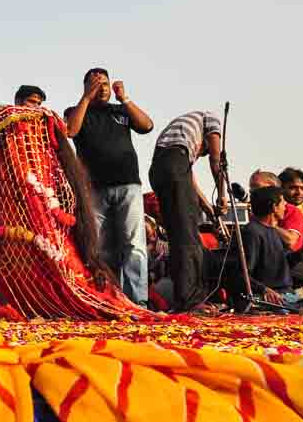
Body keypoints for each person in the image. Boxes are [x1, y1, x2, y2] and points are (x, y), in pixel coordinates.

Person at [64, 68, 155, 306]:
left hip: (128, 185)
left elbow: (146, 126)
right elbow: (70, 131)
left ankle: (138, 302)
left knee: (134, 244)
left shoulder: (120, 110)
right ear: (86, 86)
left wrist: (124, 98)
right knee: (101, 248)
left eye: (105, 83)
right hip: (93, 189)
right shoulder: (76, 111)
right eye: (96, 83)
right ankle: (109, 299)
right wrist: (86, 97)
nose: (102, 87)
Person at [147, 111, 226, 313]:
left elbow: (188, 179)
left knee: (180, 234)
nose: (203, 154)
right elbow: (217, 161)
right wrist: (222, 195)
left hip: (160, 170)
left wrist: (208, 209)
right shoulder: (211, 119)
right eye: (204, 151)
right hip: (173, 167)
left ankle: (185, 298)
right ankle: (191, 301)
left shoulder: (181, 140)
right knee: (188, 238)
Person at [276, 168, 303, 291]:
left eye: (302, 188)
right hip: (281, 281)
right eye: (293, 188)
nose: (299, 192)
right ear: (280, 189)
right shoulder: (272, 213)